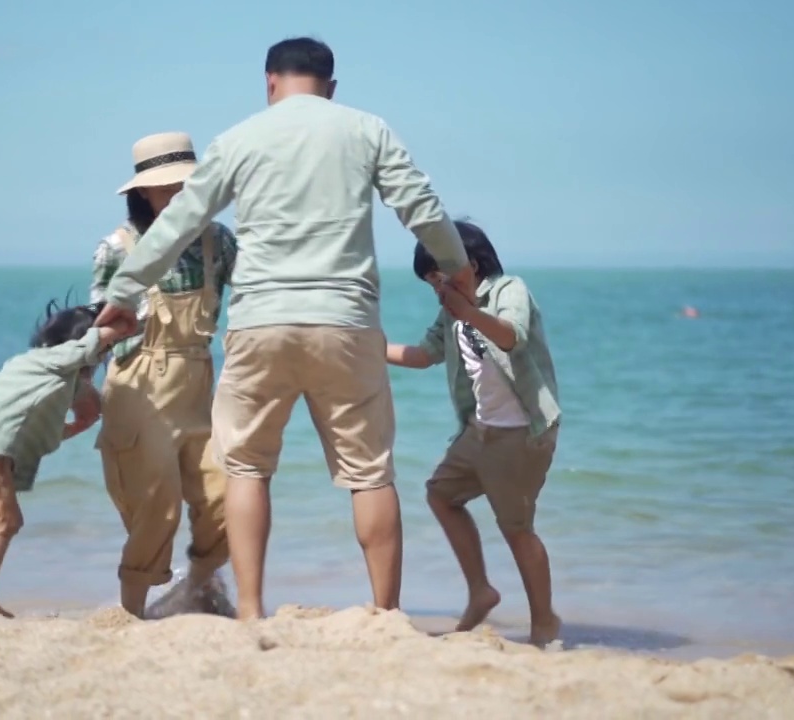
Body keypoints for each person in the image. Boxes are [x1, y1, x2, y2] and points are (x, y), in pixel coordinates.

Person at [95, 37, 474, 620]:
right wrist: (459, 269)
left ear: (269, 82)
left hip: (258, 325)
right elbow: (420, 208)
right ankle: (385, 613)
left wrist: (123, 293)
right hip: (344, 321)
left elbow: (177, 223)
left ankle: (248, 607)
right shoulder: (367, 129)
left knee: (246, 467)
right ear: (332, 87)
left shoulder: (239, 138)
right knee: (369, 473)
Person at [385, 220, 563, 646]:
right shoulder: (451, 310)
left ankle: (545, 623)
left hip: (521, 431)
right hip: (479, 430)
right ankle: (481, 590)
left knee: (517, 527)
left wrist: (468, 312)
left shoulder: (508, 291)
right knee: (441, 494)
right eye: (430, 283)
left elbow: (511, 336)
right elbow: (426, 354)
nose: (436, 290)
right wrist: (367, 347)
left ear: (473, 265)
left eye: (438, 279)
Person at [90, 132, 239, 618]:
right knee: (155, 507)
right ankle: (131, 612)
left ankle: (193, 589)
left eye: (186, 186)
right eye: (165, 187)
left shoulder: (220, 241)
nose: (176, 196)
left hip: (201, 379)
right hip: (139, 385)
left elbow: (257, 293)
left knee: (227, 497)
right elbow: (95, 326)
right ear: (143, 193)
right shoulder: (117, 247)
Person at [0, 300, 118, 617]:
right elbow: (95, 343)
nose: (102, 358)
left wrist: (81, 421)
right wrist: (124, 324)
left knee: (2, 522)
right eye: (102, 355)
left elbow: (84, 406)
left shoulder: (35, 366)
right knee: (2, 525)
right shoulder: (57, 360)